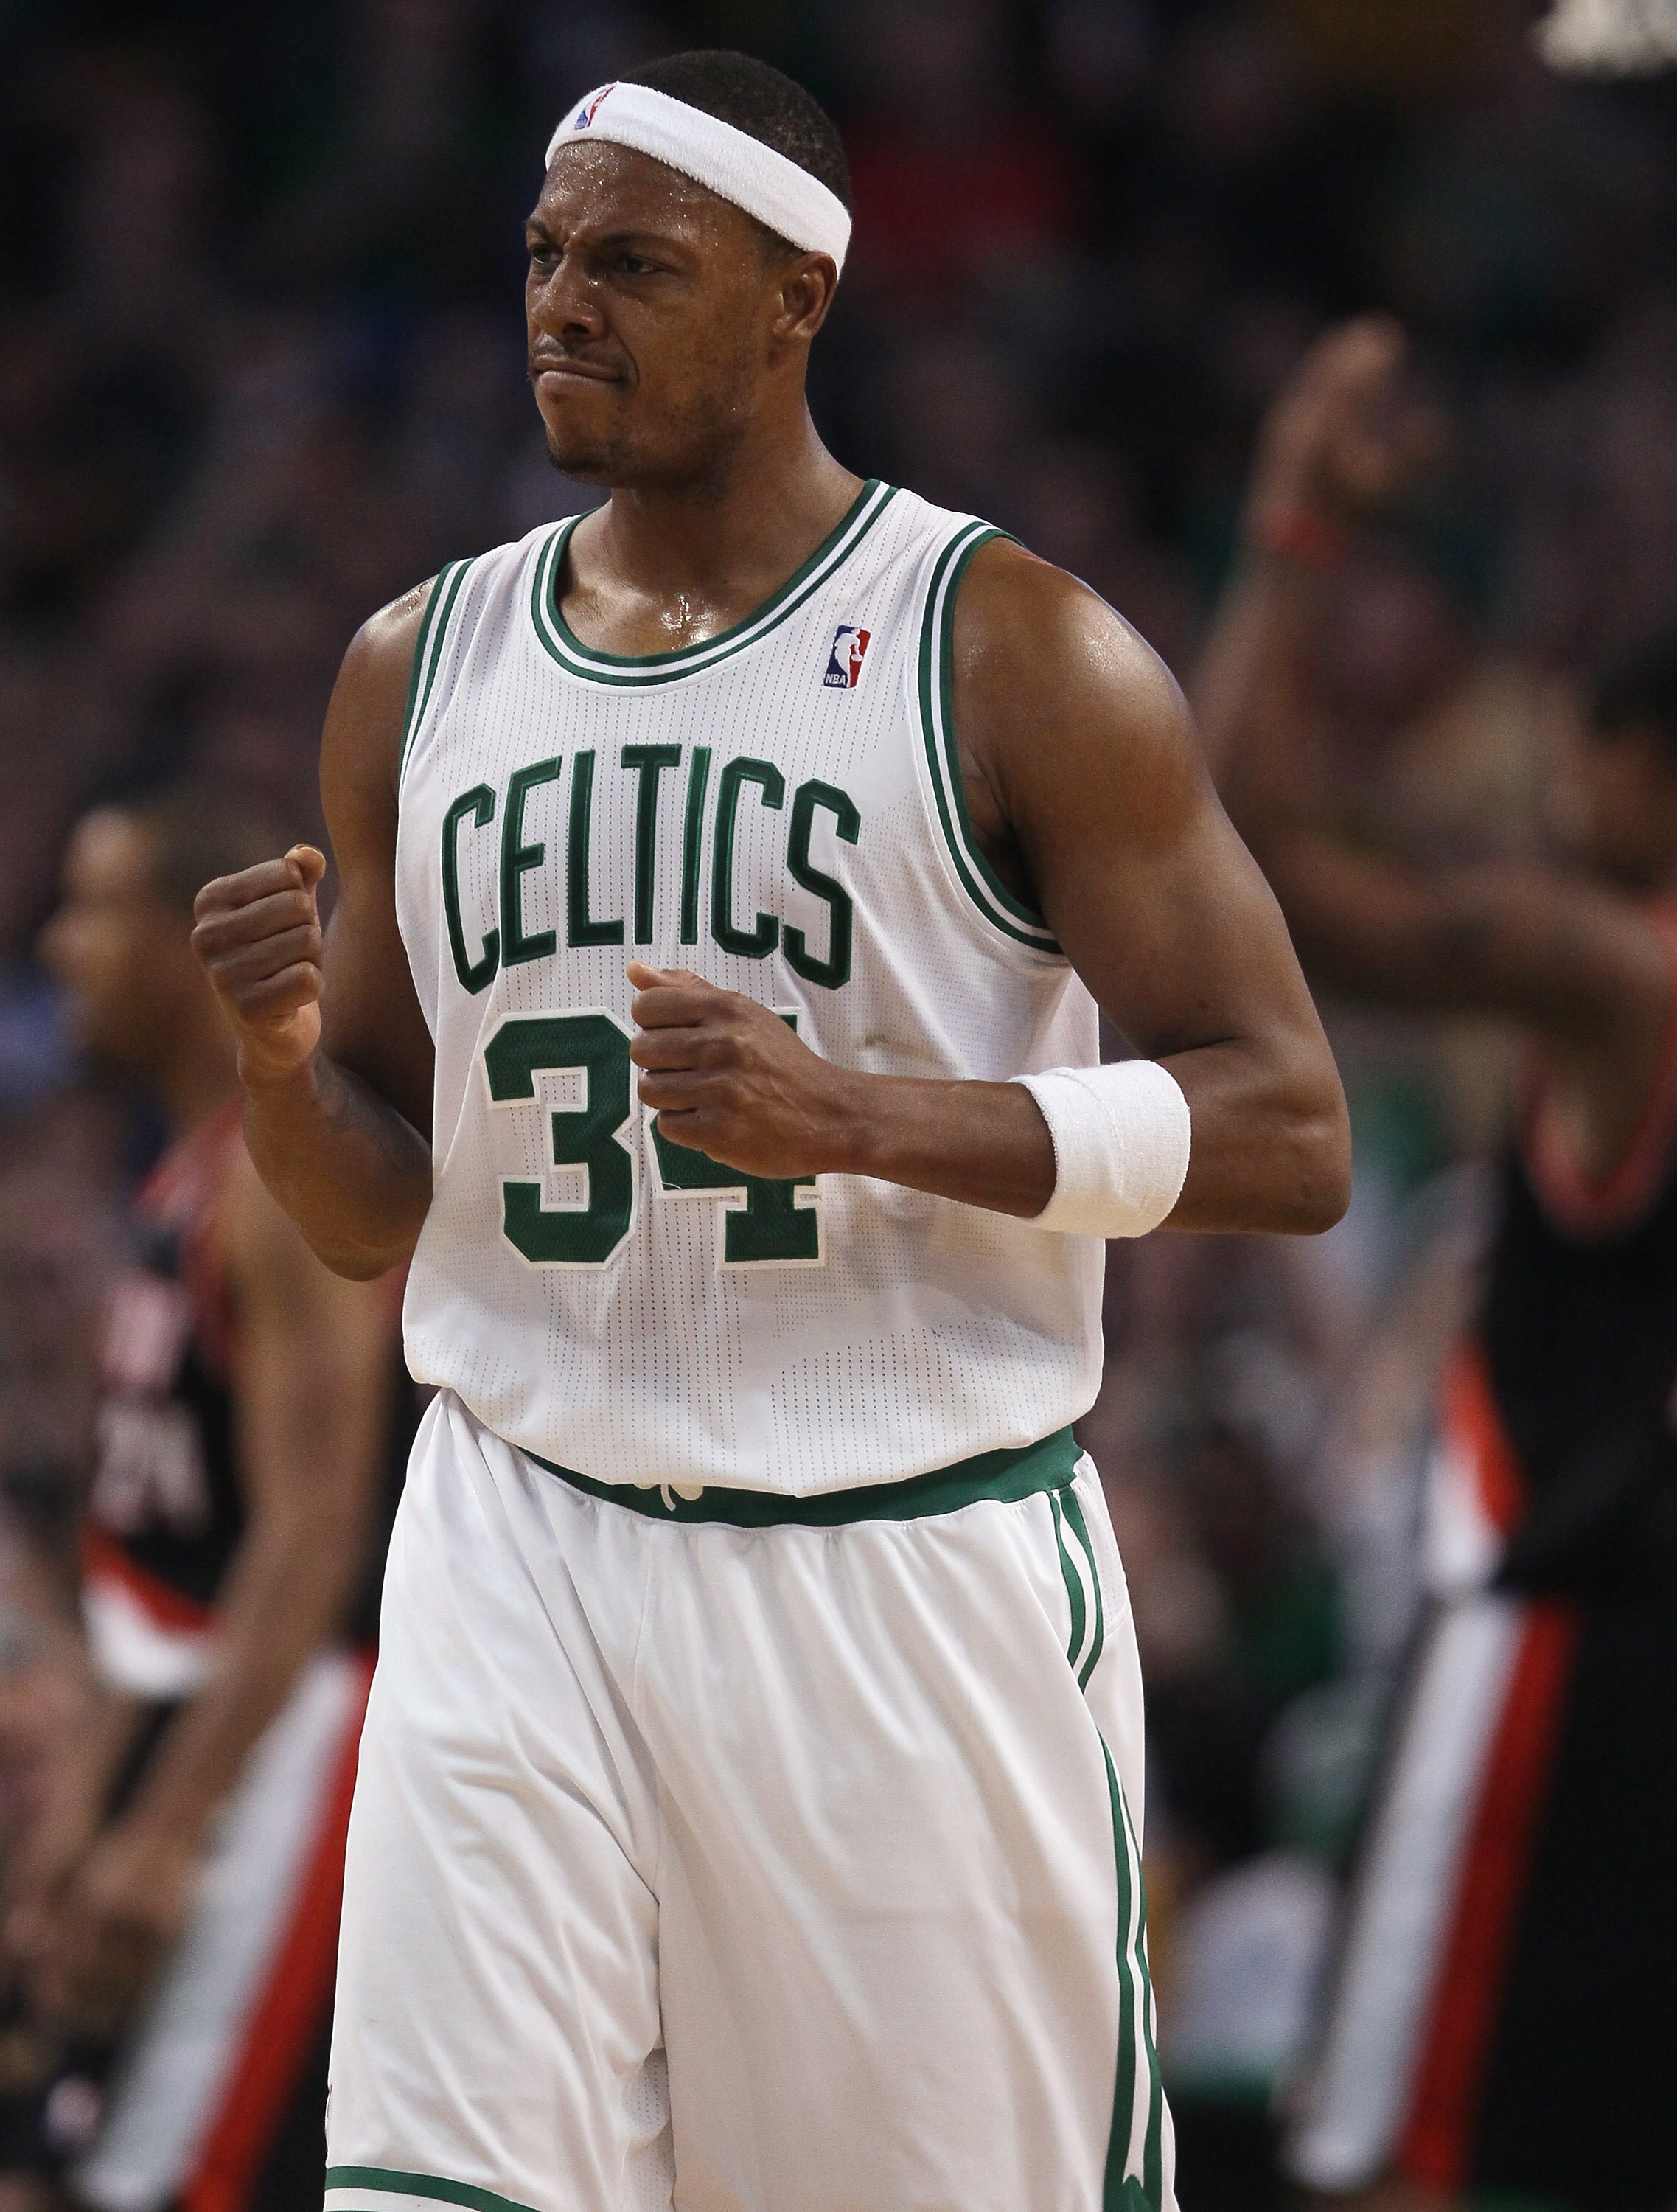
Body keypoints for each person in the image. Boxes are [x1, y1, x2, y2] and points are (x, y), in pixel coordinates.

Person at [190, 49, 1349, 2212]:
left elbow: (1290, 1129)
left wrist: (867, 1119)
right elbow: (371, 1215)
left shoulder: (1013, 650)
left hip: (893, 1572)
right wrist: (275, 1068)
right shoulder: (414, 666)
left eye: (634, 264)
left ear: (797, 294)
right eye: (545, 254)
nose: (564, 303)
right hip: (517, 1536)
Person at [1201, 319, 1677, 2212]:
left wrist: (1294, 524)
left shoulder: (1621, 974)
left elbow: (1249, 860)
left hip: (1561, 1655)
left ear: (1642, 771)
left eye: (1580, 757)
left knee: (1409, 2168)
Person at [1, 786, 413, 2212]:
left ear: (192, 945)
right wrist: (90, 1811)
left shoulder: (275, 1191)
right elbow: (162, 1569)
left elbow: (313, 1535)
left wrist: (168, 1824)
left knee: (176, 2180)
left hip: (293, 1744)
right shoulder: (182, 1178)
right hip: (195, 1724)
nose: (62, 947)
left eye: (97, 908)